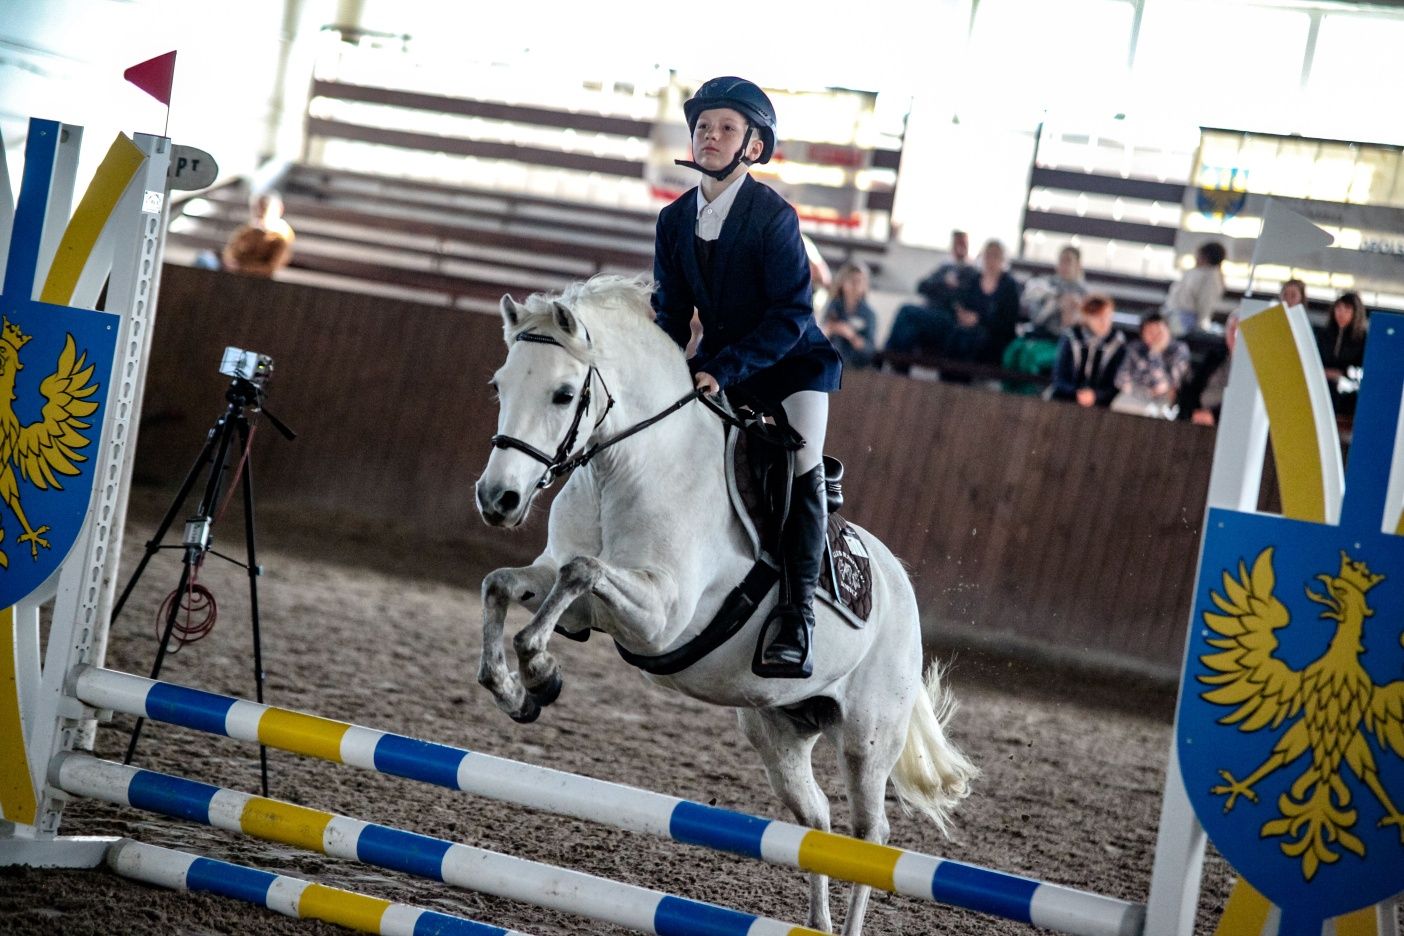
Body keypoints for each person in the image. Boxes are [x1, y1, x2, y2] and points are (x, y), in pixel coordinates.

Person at [652, 76, 842, 679]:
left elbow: (791, 315)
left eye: (726, 128)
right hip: (720, 368)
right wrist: (665, 370)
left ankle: (796, 616)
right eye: (703, 127)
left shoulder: (774, 217)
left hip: (792, 367)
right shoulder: (675, 219)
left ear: (753, 147)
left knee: (801, 464)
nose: (710, 136)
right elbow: (671, 314)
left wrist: (717, 368)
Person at [883, 230, 977, 366]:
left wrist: (946, 290)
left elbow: (961, 297)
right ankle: (899, 366)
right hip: (930, 313)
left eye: (963, 243)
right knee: (909, 329)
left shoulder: (971, 273)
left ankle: (886, 353)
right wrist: (944, 284)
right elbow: (922, 286)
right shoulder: (944, 269)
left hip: (948, 318)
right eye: (956, 243)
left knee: (906, 311)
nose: (959, 247)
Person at [949, 237, 1021, 369]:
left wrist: (979, 320)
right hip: (968, 330)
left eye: (995, 256)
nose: (991, 260)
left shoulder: (1009, 286)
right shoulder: (974, 280)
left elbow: (1008, 322)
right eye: (988, 255)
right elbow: (963, 302)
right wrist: (962, 314)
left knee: (972, 339)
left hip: (994, 337)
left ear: (1003, 260)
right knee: (955, 335)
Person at [1049, 294, 1127, 408]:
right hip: (1067, 398)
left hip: (1102, 403)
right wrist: (1076, 393)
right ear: (1086, 317)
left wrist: (1095, 395)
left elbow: (1116, 383)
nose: (1104, 322)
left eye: (1107, 317)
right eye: (1098, 317)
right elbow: (1059, 377)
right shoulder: (1071, 337)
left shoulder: (1118, 343)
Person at [1112, 312, 1190, 418]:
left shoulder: (1179, 350)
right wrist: (1147, 393)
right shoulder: (1135, 348)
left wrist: (1155, 354)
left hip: (1164, 400)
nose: (1155, 336)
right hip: (1135, 395)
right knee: (1117, 409)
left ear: (1168, 330)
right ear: (1142, 334)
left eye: (1159, 331)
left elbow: (1169, 385)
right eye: (1149, 332)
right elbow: (1120, 380)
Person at [820, 261, 878, 369]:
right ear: (842, 283)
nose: (855, 285)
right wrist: (830, 329)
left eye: (859, 281)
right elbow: (821, 335)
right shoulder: (834, 306)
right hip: (831, 362)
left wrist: (851, 336)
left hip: (856, 366)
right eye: (851, 281)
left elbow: (870, 350)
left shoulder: (868, 314)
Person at [221, 192, 295, 277]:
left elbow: (272, 267)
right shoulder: (247, 230)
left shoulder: (282, 235)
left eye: (264, 208)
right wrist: (232, 263)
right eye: (256, 208)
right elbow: (230, 253)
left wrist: (245, 268)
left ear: (279, 209)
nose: (259, 213)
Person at [1020, 245, 1088, 338]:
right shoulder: (1046, 285)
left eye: (1068, 261)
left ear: (1078, 265)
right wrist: (1053, 305)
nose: (1064, 266)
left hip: (1067, 339)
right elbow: (1035, 318)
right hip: (1043, 335)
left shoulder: (1082, 292)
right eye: (1061, 261)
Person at [1318, 292, 1368, 415]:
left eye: (1347, 309)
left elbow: (1361, 371)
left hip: (1348, 394)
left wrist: (1340, 373)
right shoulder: (1324, 335)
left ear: (1356, 313)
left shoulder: (1362, 340)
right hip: (1322, 387)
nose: (1341, 312)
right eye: (1338, 308)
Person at [1164, 240, 1226, 336]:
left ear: (1206, 257)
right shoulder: (1197, 272)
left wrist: (1198, 324)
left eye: (1199, 255)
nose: (1196, 257)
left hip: (1186, 321)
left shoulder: (1211, 277)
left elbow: (1206, 303)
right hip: (1174, 316)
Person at [1190, 312, 1239, 426]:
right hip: (1198, 416)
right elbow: (1194, 386)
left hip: (1227, 424)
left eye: (1240, 330)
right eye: (1231, 329)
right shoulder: (1215, 356)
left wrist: (1215, 416)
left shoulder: (1253, 368)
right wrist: (1190, 411)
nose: (1234, 334)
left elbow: (1244, 403)